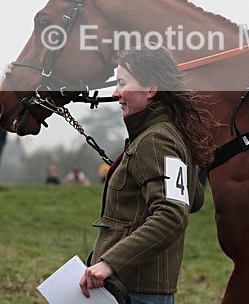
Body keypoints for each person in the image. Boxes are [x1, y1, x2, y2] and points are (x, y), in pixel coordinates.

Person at [79, 48, 215, 303]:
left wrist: (110, 263)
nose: (115, 93)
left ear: (151, 89)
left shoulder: (156, 140)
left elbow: (172, 214)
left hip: (136, 292)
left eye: (122, 83)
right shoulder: (164, 135)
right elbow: (192, 199)